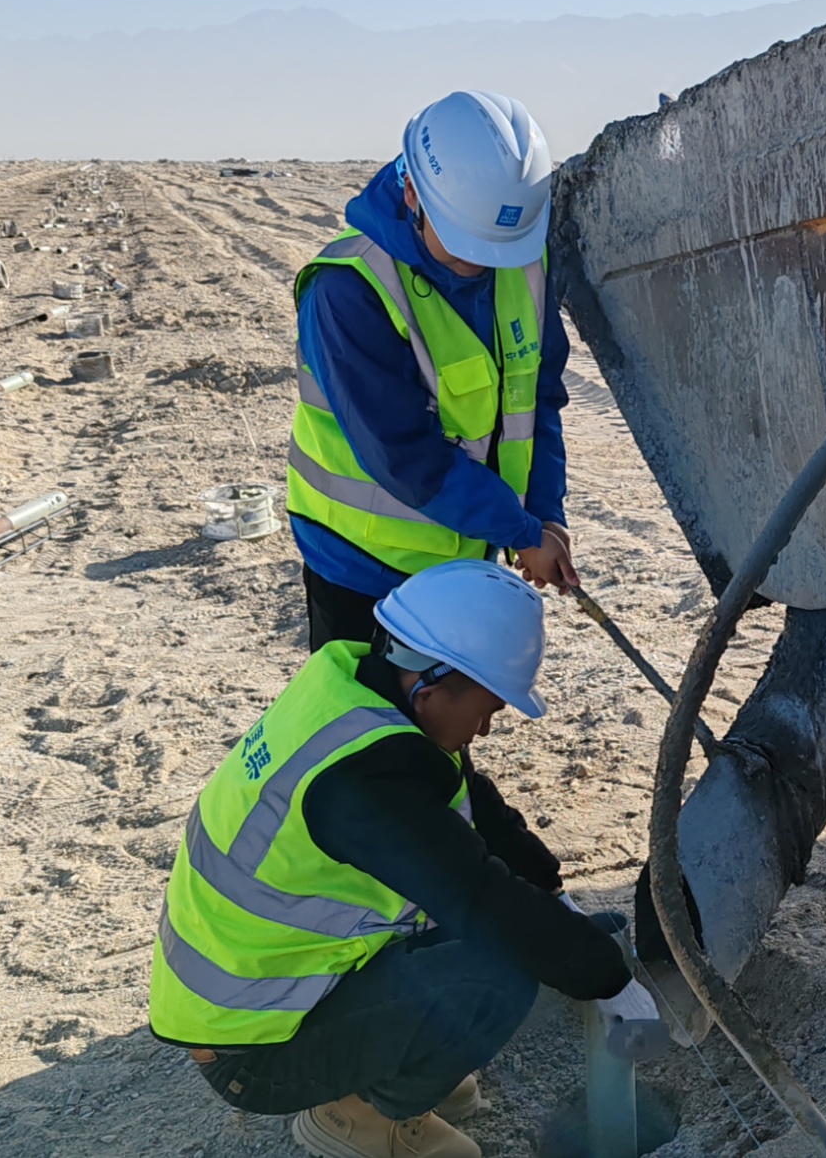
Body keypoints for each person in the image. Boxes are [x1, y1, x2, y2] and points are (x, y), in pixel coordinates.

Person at [148, 560, 653, 1158]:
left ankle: (390, 1060)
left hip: (268, 985)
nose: (485, 730)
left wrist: (553, 892)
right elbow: (478, 896)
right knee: (499, 974)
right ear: (432, 690)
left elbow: (474, 806)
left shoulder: (362, 692)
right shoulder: (366, 782)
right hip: (253, 1046)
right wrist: (606, 976)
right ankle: (359, 1115)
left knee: (505, 932)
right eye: (487, 710)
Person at [288, 90, 580, 651]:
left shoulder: (518, 256)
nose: (482, 263)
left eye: (497, 247)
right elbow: (404, 455)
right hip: (362, 565)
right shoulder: (347, 290)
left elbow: (536, 398)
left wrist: (546, 514)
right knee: (370, 705)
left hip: (465, 554)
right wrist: (520, 531)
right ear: (412, 193)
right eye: (465, 243)